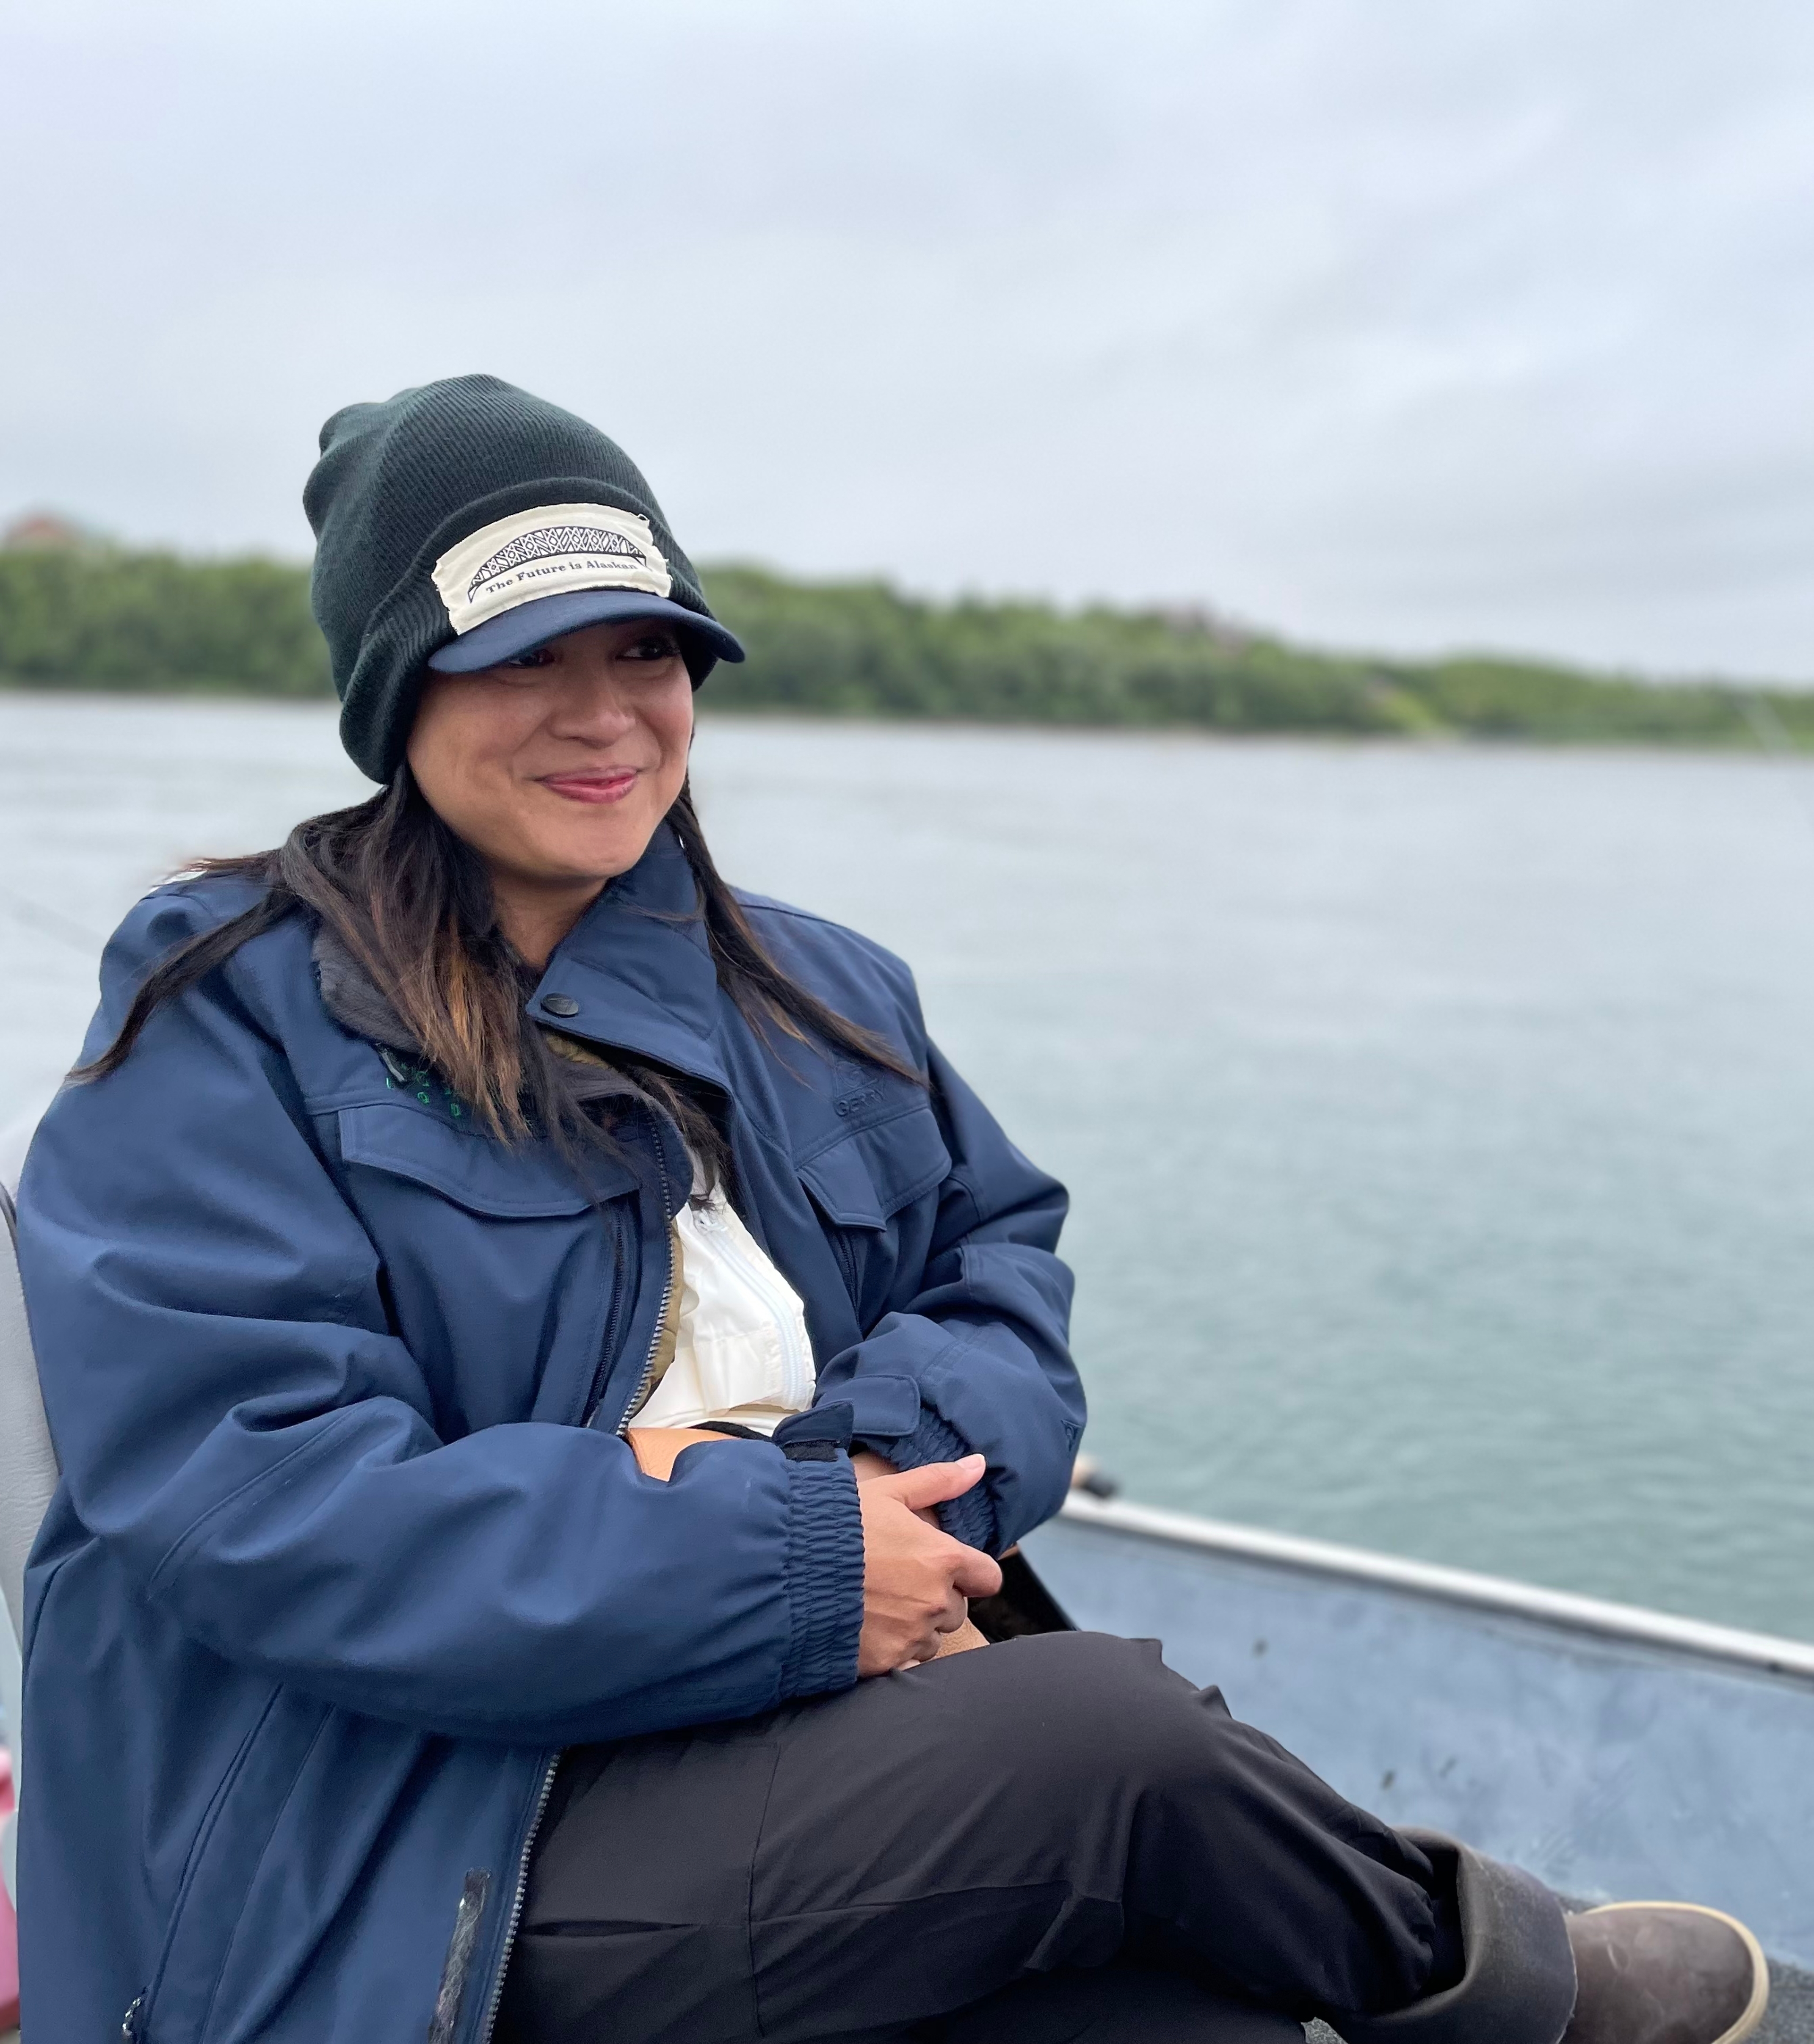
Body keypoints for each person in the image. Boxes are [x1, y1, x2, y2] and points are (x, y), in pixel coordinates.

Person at [13, 376, 1768, 2044]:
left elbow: (1003, 1273)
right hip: (415, 1836)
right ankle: (1520, 1998)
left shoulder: (818, 990)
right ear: (400, 691)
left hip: (805, 1723)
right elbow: (258, 1492)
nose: (608, 709)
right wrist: (790, 1560)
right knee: (1112, 1747)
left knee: (1184, 2011)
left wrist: (864, 1491)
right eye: (525, 657)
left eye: (651, 649)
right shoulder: (224, 1014)